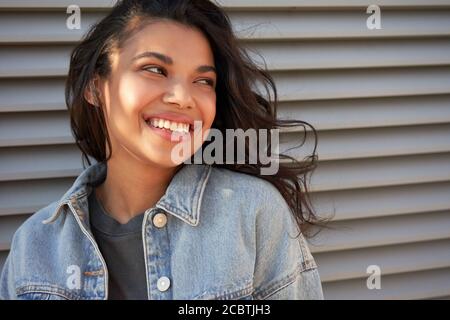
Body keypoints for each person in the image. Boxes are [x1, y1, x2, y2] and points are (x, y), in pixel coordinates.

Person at [0, 0, 324, 300]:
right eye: (155, 69)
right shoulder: (34, 247)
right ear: (95, 87)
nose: (183, 97)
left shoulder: (253, 213)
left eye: (204, 81)